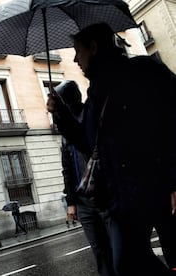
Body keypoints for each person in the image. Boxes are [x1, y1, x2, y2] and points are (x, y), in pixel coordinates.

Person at [47, 22, 176, 275]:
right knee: (126, 264)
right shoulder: (95, 93)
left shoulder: (144, 71)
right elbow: (88, 143)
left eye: (77, 51)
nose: (74, 59)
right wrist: (61, 114)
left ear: (93, 48)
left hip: (160, 186)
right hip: (121, 198)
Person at [56, 80, 115, 276]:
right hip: (83, 202)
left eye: (61, 99)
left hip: (104, 195)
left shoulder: (89, 118)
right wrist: (71, 203)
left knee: (118, 247)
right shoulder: (65, 133)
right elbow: (67, 170)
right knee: (98, 250)